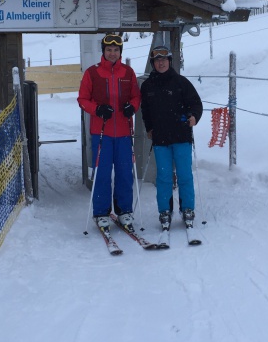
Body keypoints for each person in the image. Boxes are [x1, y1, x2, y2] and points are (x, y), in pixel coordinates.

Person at [77, 33, 141, 232]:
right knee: (102, 174)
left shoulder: (128, 72)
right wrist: (97, 109)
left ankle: (124, 211)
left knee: (124, 173)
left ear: (120, 52)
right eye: (109, 50)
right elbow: (82, 99)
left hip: (123, 132)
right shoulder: (92, 73)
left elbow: (136, 97)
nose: (112, 53)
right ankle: (101, 212)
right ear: (103, 51)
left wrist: (132, 107)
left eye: (116, 50)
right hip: (101, 132)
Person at [140, 45, 203, 231]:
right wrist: (149, 127)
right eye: (158, 60)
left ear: (169, 61)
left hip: (181, 136)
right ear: (153, 63)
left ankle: (188, 209)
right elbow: (145, 111)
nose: (161, 63)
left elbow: (196, 104)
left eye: (164, 59)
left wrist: (193, 117)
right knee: (164, 177)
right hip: (160, 139)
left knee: (184, 175)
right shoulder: (147, 86)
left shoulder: (181, 82)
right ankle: (165, 211)